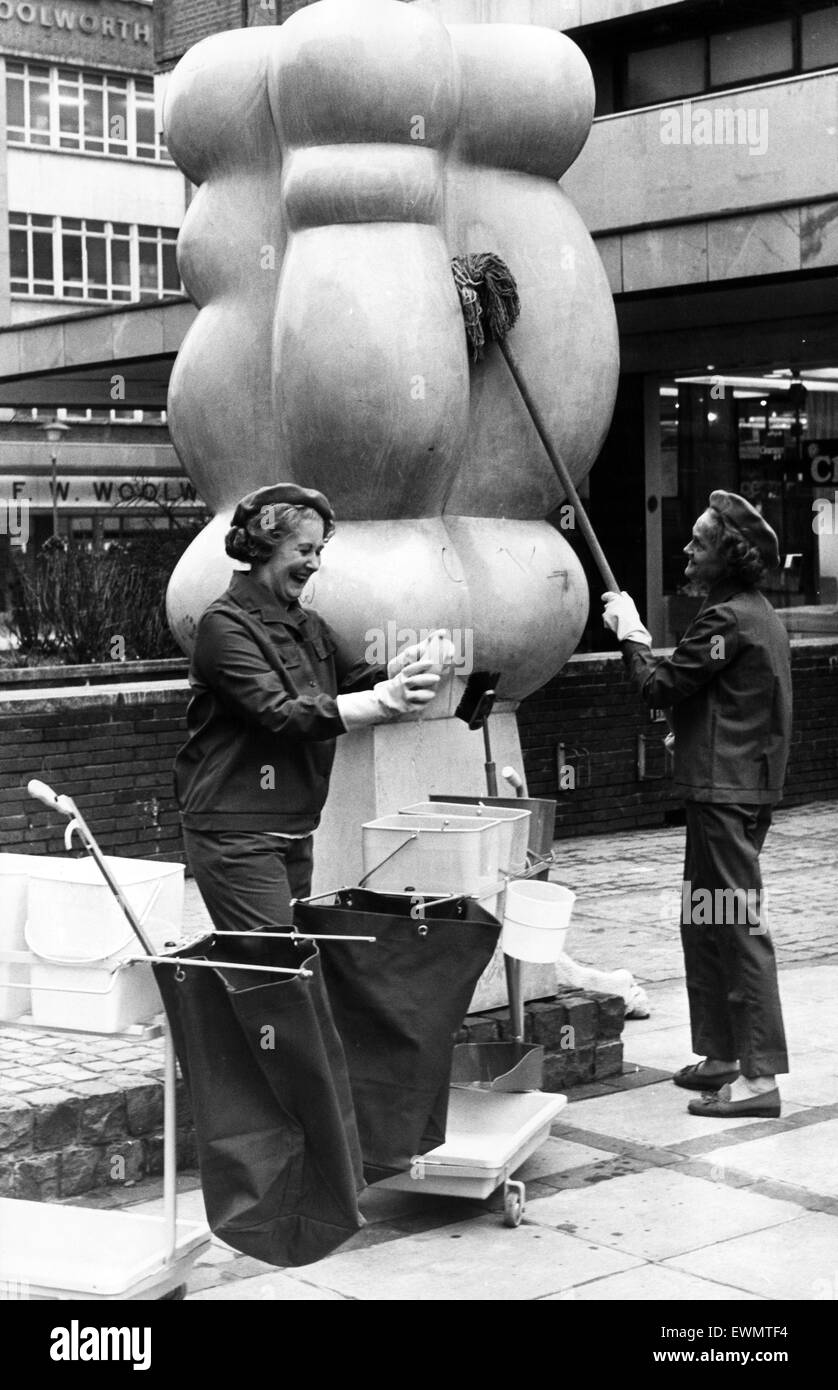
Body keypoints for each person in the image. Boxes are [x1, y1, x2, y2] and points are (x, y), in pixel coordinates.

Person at [174, 482, 450, 946]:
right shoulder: (223, 626)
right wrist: (386, 701)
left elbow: (353, 677)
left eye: (319, 549)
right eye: (304, 549)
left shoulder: (305, 621)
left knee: (286, 965)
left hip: (291, 825)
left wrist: (402, 666)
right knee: (276, 971)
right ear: (263, 547)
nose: (315, 563)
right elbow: (281, 713)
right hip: (237, 831)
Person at [602, 490, 791, 1119]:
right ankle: (721, 1054)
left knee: (734, 925)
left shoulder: (726, 620)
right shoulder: (754, 614)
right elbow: (733, 701)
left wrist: (631, 634)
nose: (686, 549)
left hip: (722, 795)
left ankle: (759, 1080)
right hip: (733, 790)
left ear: (727, 556)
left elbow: (657, 685)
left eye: (698, 542)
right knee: (707, 917)